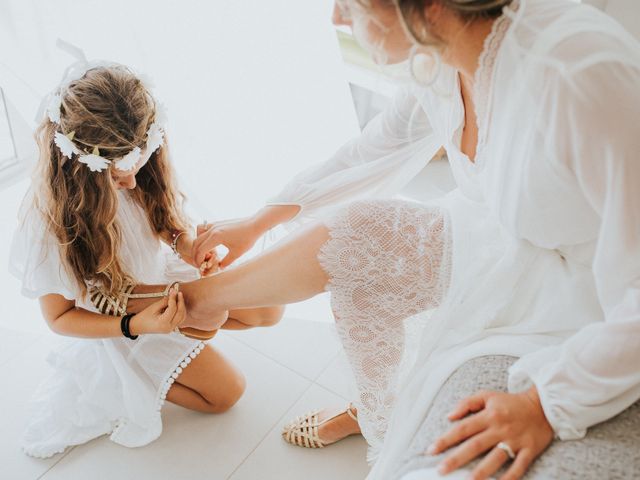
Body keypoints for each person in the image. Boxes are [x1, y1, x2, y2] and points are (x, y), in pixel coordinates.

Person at [130, 0, 640, 477]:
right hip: (496, 233)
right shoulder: (450, 58)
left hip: (579, 284)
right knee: (353, 235)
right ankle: (199, 304)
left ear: (428, 5)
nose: (336, 17)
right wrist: (257, 223)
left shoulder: (576, 75)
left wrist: (545, 404)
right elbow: (372, 151)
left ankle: (202, 311)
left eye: (351, 2)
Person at [9, 63, 284, 458]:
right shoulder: (48, 225)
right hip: (117, 307)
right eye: (119, 178)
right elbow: (59, 318)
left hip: (155, 276)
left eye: (138, 165)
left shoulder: (139, 149)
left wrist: (187, 245)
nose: (133, 183)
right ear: (80, 167)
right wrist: (135, 325)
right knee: (225, 394)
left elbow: (164, 218)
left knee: (270, 309)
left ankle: (183, 327)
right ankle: (130, 371)